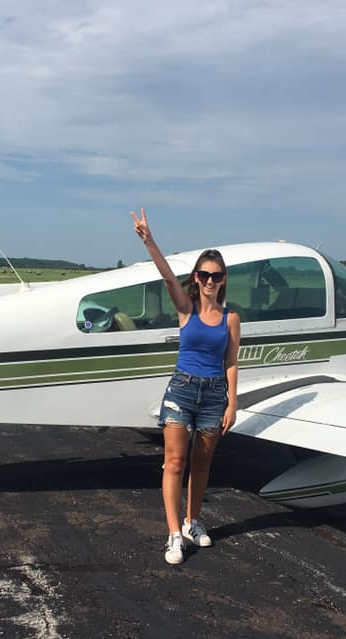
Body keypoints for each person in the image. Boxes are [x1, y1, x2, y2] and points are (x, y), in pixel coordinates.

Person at [131, 208, 241, 565]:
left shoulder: (230, 318)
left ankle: (194, 522)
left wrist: (231, 403)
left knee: (202, 461)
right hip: (181, 391)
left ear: (224, 280)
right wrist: (150, 242)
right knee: (174, 462)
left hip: (213, 395)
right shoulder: (186, 308)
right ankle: (174, 534)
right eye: (205, 274)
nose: (211, 281)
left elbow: (231, 361)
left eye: (217, 276)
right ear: (196, 277)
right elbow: (166, 279)